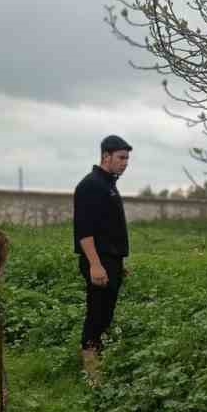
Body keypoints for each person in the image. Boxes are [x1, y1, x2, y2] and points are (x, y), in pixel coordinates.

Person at [73, 136, 132, 381]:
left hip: (111, 260)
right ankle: (91, 371)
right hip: (98, 260)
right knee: (96, 313)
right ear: (105, 156)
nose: (125, 163)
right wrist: (96, 265)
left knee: (106, 313)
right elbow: (84, 231)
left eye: (127, 158)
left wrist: (119, 262)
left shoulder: (108, 184)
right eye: (121, 158)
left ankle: (101, 361)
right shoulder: (91, 185)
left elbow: (109, 228)